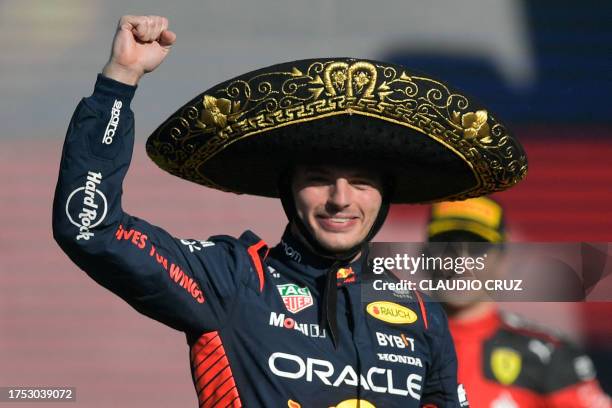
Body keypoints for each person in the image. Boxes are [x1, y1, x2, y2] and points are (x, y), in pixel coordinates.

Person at [52, 15, 527, 407]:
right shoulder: (233, 280)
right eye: (319, 178)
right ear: (288, 190)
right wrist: (119, 82)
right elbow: (89, 226)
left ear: (385, 197)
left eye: (362, 183)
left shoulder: (421, 314)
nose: (341, 199)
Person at [426, 197, 611, 407]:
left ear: (503, 261)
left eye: (477, 248)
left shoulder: (549, 355)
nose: (459, 262)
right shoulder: (394, 340)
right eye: (445, 246)